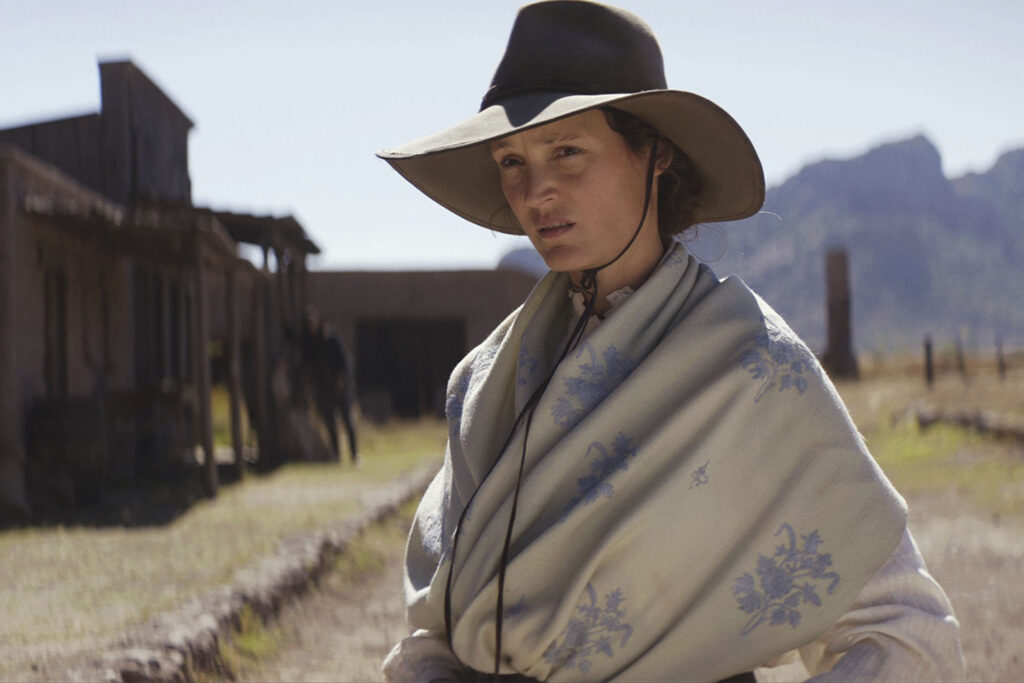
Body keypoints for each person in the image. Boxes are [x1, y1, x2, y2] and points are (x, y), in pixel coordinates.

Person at [378, 2, 964, 680]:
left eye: (567, 150)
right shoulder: (483, 381)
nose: (535, 190)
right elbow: (432, 634)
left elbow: (907, 631)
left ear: (654, 152)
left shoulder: (753, 371)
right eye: (512, 160)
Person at [301, 306, 359, 465]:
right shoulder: (311, 343)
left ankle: (354, 454)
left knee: (347, 421)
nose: (312, 327)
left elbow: (344, 361)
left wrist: (342, 380)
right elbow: (307, 366)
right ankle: (336, 455)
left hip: (339, 388)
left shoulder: (331, 338)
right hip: (323, 389)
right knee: (330, 423)